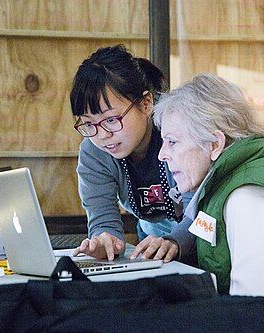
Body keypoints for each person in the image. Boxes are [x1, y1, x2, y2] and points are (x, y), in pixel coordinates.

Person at [153, 73, 264, 296]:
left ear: (215, 144)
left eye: (172, 142)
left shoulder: (248, 197)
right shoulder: (225, 183)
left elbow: (259, 307)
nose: (162, 155)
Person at [69, 45, 195, 261]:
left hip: (203, 238)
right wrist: (104, 241)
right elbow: (103, 221)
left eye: (111, 120)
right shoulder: (93, 152)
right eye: (89, 124)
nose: (102, 135)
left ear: (146, 104)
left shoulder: (179, 133)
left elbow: (200, 207)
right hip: (151, 245)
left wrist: (174, 241)